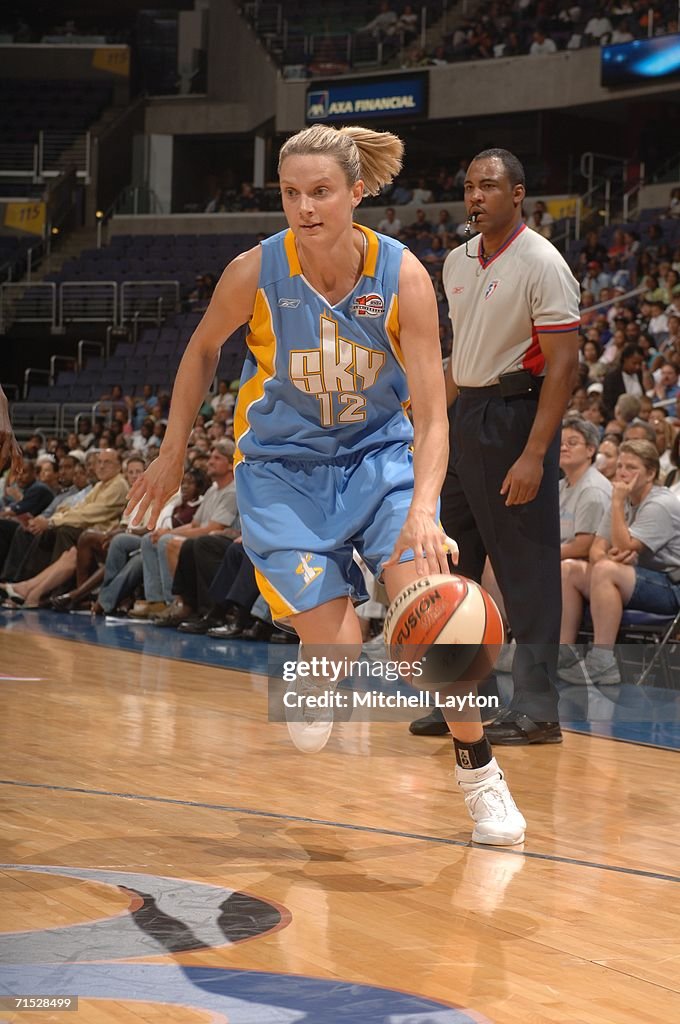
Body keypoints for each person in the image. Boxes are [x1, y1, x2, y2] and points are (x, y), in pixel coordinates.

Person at [126, 123, 526, 847]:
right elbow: (201, 349)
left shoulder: (401, 275)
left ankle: (481, 774)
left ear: (356, 192)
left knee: (436, 623)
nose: (305, 207)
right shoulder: (254, 271)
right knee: (338, 644)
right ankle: (321, 671)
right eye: (291, 193)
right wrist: (173, 446)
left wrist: (425, 510)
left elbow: (435, 412)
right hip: (284, 473)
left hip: (381, 460)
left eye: (320, 192)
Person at [410, 147, 580, 745]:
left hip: (517, 417)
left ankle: (538, 709)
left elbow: (563, 366)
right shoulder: (456, 261)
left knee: (527, 569)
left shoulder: (543, 262)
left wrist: (535, 452)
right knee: (455, 561)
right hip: (467, 413)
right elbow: (469, 354)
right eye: (469, 187)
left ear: (517, 195)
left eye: (488, 186)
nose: (475, 197)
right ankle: (466, 699)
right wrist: (432, 400)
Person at [559, 440, 680, 685]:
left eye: (632, 468)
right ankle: (564, 652)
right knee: (569, 569)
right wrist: (609, 559)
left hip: (671, 586)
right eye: (621, 466)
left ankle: (602, 662)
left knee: (605, 570)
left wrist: (615, 503)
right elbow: (596, 549)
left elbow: (624, 546)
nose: (623, 473)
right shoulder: (624, 498)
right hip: (635, 577)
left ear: (651, 474)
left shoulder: (660, 504)